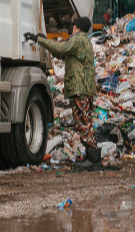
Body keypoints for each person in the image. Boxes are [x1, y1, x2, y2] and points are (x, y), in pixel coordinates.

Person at [25, 16, 100, 166]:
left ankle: (94, 158)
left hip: (81, 89)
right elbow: (62, 53)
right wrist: (45, 42)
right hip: (82, 89)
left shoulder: (78, 39)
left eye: (73, 26)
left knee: (84, 122)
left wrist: (40, 40)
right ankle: (89, 155)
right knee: (81, 121)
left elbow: (61, 48)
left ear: (76, 28)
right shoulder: (82, 41)